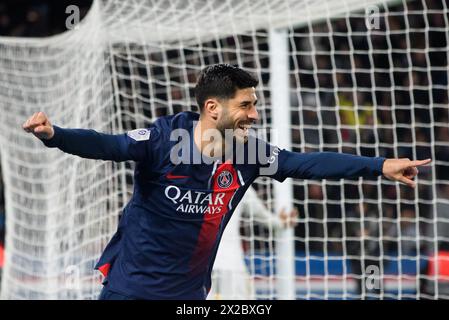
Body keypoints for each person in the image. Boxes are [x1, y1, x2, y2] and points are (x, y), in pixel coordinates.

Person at [22, 64, 431, 300]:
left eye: (256, 105)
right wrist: (56, 135)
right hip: (130, 291)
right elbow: (107, 145)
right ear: (213, 107)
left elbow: (306, 164)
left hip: (189, 298)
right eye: (247, 105)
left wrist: (379, 166)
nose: (254, 115)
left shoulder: (248, 155)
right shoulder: (163, 140)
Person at [209, 186, 298, 300]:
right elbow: (262, 215)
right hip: (231, 264)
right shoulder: (239, 178)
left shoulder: (188, 179)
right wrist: (280, 223)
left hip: (199, 265)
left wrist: (279, 223)